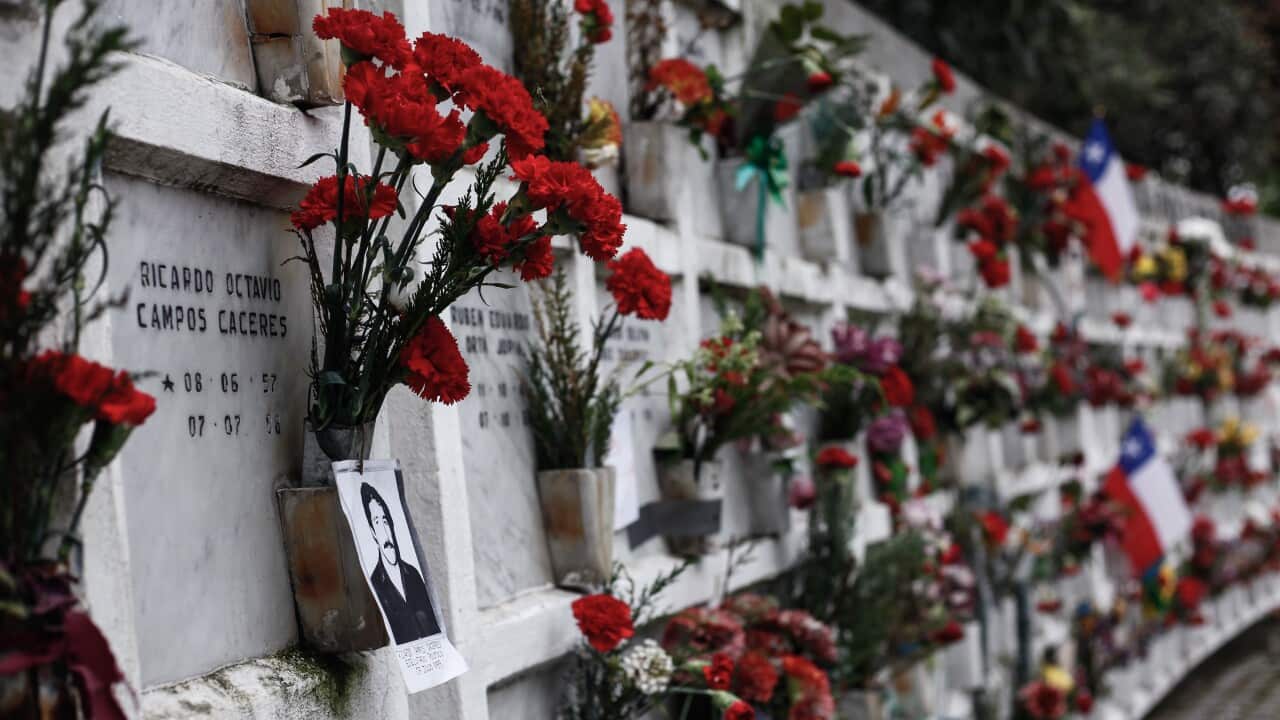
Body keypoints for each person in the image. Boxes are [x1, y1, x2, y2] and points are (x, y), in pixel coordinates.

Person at [360, 482, 440, 643]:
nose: (385, 532)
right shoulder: (374, 585)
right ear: (372, 532)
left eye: (385, 521)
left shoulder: (414, 575)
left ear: (391, 524)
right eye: (377, 522)